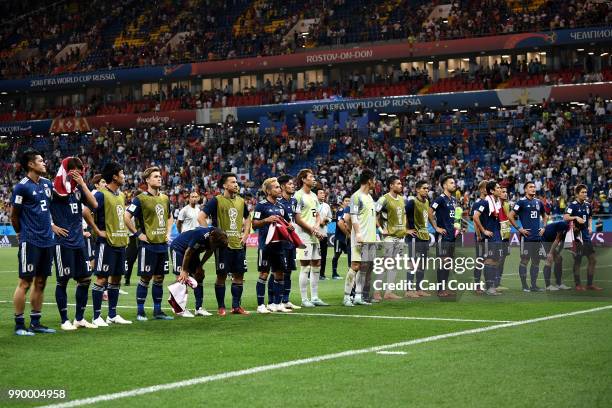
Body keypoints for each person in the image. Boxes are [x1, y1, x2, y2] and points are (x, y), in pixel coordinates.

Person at [50, 157, 99, 330]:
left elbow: (94, 205)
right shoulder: (53, 188)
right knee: (62, 281)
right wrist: (51, 225)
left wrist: (83, 185)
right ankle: (64, 320)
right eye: (76, 169)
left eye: (81, 169)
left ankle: (79, 318)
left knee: (85, 279)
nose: (80, 172)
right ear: (67, 170)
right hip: (62, 242)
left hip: (79, 241)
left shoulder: (78, 190)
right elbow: (40, 209)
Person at [11, 150, 57, 335]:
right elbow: (14, 216)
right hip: (30, 241)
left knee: (41, 282)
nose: (44, 163)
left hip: (47, 241)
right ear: (30, 164)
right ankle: (20, 325)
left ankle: (36, 322)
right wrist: (22, 234)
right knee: (25, 282)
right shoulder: (21, 187)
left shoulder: (47, 184)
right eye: (40, 160)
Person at [125, 167, 174, 321]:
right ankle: (140, 312)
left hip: (162, 245)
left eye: (160, 176)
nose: (159, 178)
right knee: (146, 278)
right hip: (148, 246)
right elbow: (126, 217)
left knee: (159, 278)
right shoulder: (140, 199)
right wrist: (138, 234)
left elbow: (170, 217)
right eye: (155, 176)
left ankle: (158, 311)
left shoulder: (165, 198)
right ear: (147, 180)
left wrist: (167, 233)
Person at [199, 173, 251, 315]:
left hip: (238, 244)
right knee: (221, 275)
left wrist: (246, 233)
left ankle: (236, 306)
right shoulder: (216, 200)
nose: (236, 184)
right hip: (223, 246)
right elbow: (201, 217)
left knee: (239, 276)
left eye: (236, 182)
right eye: (232, 182)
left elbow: (248, 217)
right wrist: (210, 236)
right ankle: (221, 307)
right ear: (225, 185)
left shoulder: (241, 201)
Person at [90, 162, 132, 326]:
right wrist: (97, 231)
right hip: (105, 244)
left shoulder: (121, 195)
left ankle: (112, 315)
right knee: (101, 279)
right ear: (114, 176)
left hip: (120, 242)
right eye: (122, 173)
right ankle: (96, 316)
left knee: (116, 279)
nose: (124, 176)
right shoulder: (100, 195)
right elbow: (86, 211)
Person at [253, 178, 293, 313]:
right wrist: (266, 220)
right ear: (268, 191)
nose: (279, 189)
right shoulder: (261, 205)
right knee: (264, 273)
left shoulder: (281, 207)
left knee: (279, 274)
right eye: (276, 187)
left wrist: (290, 227)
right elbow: (254, 224)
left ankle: (277, 304)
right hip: (266, 245)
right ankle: (260, 305)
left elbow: (288, 222)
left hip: (279, 246)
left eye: (278, 187)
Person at [173, 227, 229, 316]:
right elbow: (188, 252)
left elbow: (210, 251)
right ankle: (179, 309)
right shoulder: (200, 236)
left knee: (199, 276)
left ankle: (198, 308)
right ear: (211, 239)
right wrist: (184, 270)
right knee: (181, 279)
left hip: (193, 253)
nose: (214, 247)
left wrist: (200, 266)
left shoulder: (218, 237)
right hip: (179, 249)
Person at [294, 169, 328, 307]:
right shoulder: (298, 196)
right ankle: (304, 299)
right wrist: (312, 229)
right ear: (303, 179)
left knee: (317, 265)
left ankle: (314, 297)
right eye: (310, 177)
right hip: (303, 235)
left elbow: (318, 215)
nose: (313, 179)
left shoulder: (314, 195)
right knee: (305, 266)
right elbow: (297, 218)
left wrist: (317, 227)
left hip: (314, 234)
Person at [344, 169, 377, 306]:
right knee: (355, 266)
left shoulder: (370, 197)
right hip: (360, 237)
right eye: (374, 180)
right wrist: (357, 233)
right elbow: (354, 216)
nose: (375, 183)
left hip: (370, 238)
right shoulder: (356, 197)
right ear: (369, 181)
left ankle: (358, 296)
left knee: (365, 266)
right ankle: (346, 297)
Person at [509, 181, 548, 292]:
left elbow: (545, 216)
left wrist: (544, 227)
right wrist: (519, 229)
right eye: (530, 187)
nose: (533, 188)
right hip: (526, 237)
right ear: (525, 190)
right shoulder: (521, 202)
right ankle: (524, 285)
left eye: (534, 187)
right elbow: (510, 216)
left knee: (536, 261)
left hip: (537, 237)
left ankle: (534, 285)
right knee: (525, 260)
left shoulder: (538, 202)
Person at [564, 184, 601, 291]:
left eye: (586, 192)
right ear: (577, 194)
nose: (585, 194)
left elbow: (590, 217)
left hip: (586, 237)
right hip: (577, 238)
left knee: (593, 260)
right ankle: (578, 284)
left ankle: (589, 284)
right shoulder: (572, 205)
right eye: (582, 192)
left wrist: (590, 226)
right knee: (578, 261)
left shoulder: (588, 205)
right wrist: (576, 217)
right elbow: (565, 217)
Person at [374, 175, 406, 301]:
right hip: (389, 237)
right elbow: (374, 215)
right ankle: (377, 291)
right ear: (391, 185)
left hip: (400, 237)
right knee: (385, 264)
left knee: (394, 265)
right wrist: (382, 230)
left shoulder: (402, 199)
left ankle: (389, 292)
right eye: (398, 183)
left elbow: (402, 217)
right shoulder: (384, 199)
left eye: (400, 183)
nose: (400, 185)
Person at [473, 180, 504, 296]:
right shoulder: (485, 203)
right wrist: (483, 231)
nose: (500, 189)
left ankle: (491, 286)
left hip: (497, 236)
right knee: (487, 260)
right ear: (492, 191)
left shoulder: (497, 202)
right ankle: (489, 287)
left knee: (496, 260)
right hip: (488, 237)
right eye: (498, 188)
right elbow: (475, 217)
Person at [429, 175, 458, 297]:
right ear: (445, 185)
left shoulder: (453, 200)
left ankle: (444, 288)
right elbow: (430, 212)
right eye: (451, 183)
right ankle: (440, 290)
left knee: (448, 263)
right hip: (443, 236)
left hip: (452, 236)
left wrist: (458, 227)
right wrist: (436, 228)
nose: (454, 184)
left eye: (454, 182)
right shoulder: (440, 199)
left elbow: (454, 216)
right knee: (443, 261)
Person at [276, 175, 301, 309]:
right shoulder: (277, 202)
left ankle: (286, 300)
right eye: (290, 184)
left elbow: (295, 219)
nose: (293, 186)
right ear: (283, 186)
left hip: (291, 241)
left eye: (293, 184)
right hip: (280, 241)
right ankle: (276, 301)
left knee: (289, 271)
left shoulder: (294, 201)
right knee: (279, 271)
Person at [405, 180, 431, 298]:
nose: (426, 190)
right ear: (417, 189)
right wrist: (406, 230)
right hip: (414, 237)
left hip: (425, 237)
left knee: (422, 264)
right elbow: (402, 215)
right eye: (424, 188)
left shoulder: (427, 202)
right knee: (413, 263)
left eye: (427, 188)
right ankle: (408, 290)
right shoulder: (412, 202)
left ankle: (419, 289)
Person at [541, 220, 572, 290]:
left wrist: (558, 253)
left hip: (549, 241)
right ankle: (548, 286)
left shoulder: (567, 229)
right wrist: (551, 253)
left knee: (559, 258)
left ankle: (559, 284)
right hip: (543, 240)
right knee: (549, 259)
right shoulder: (563, 224)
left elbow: (562, 242)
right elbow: (557, 239)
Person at [471, 180, 487, 293]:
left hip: (488, 236)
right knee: (480, 260)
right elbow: (475, 220)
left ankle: (488, 284)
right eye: (487, 188)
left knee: (488, 260)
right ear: (481, 189)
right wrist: (478, 235)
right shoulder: (478, 203)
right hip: (480, 236)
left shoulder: (489, 202)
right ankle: (477, 286)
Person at [331, 195, 351, 280]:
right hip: (339, 237)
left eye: (349, 201)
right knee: (337, 255)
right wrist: (348, 233)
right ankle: (334, 273)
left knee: (350, 255)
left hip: (347, 239)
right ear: (343, 202)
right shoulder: (341, 211)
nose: (347, 202)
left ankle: (349, 271)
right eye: (346, 201)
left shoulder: (350, 211)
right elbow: (340, 224)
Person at [316, 186, 332, 280]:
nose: (323, 194)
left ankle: (322, 274)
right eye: (321, 193)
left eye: (324, 193)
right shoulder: (313, 204)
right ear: (316, 195)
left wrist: (326, 220)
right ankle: (311, 274)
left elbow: (330, 217)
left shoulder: (326, 206)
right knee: (314, 255)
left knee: (324, 255)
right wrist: (319, 222)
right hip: (315, 233)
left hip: (324, 233)